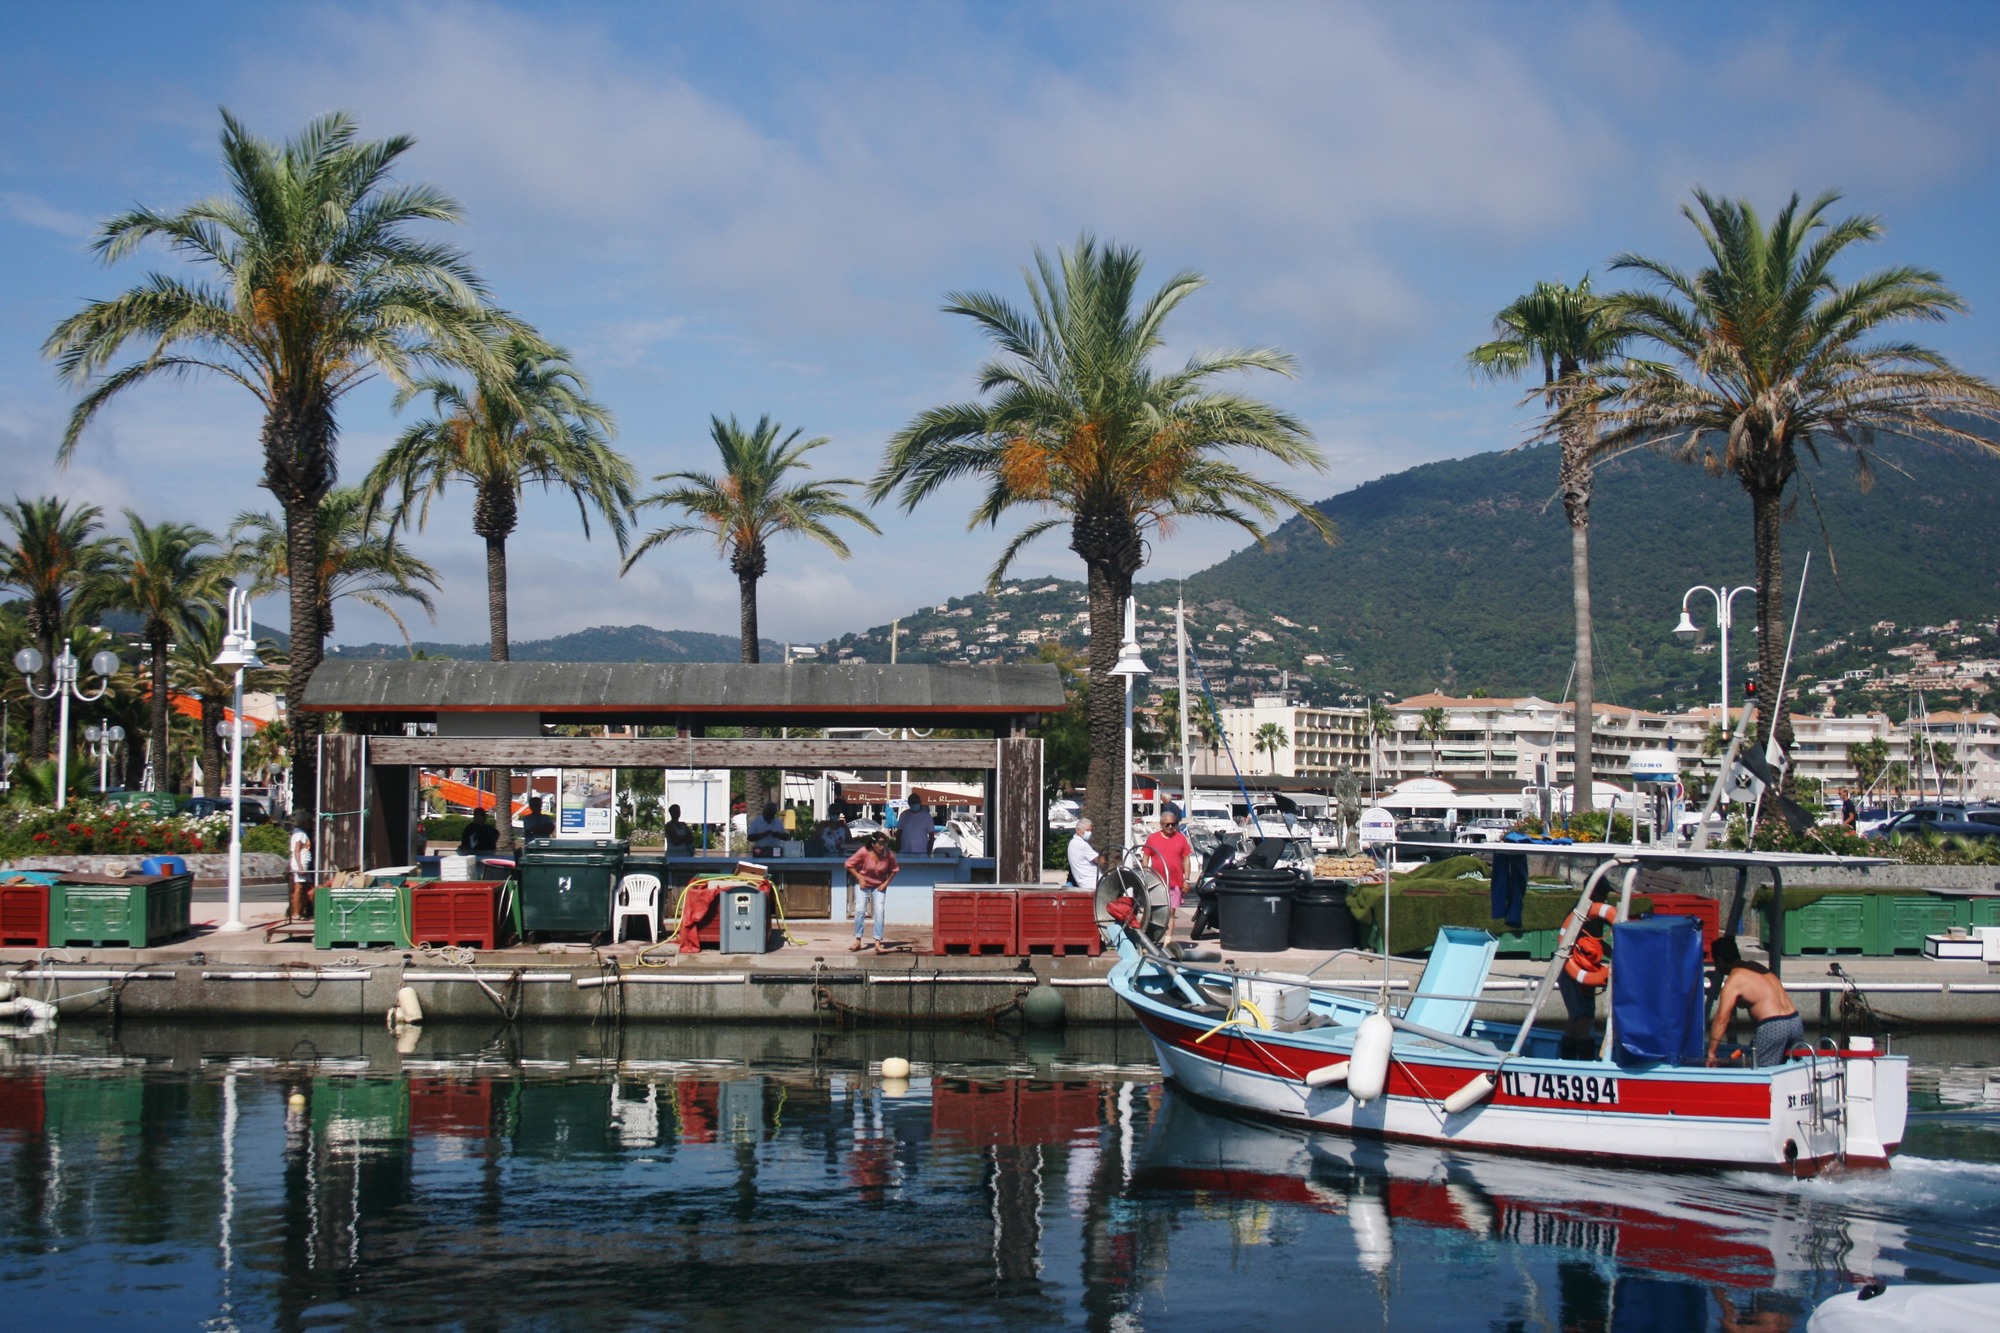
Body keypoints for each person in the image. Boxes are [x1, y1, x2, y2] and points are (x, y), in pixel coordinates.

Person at [1707, 937, 1804, 1068]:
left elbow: (1721, 1020)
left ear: (1719, 960)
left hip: (1773, 1025)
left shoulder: (1733, 980)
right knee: (1792, 1068)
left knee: (1759, 1069)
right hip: (1795, 1020)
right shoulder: (1755, 966)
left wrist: (1712, 1053)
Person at [1557, 891, 1618, 1060]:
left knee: (1576, 1014)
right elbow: (1592, 941)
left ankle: (1568, 1060)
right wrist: (1615, 953)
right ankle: (1584, 1061)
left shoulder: (1580, 909)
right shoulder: (1583, 912)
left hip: (1576, 968)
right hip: (1573, 967)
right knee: (1583, 1015)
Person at [844, 831, 899, 953]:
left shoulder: (888, 855)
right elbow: (848, 864)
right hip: (863, 883)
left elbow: (894, 870)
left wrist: (885, 884)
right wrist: (859, 878)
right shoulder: (864, 852)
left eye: (885, 843)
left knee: (879, 910)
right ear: (873, 844)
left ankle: (878, 942)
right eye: (880, 843)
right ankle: (858, 940)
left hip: (879, 884)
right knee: (860, 909)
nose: (882, 846)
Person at [1142, 810, 1198, 913]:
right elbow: (1145, 858)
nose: (1170, 827)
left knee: (1171, 912)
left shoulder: (1181, 838)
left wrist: (1186, 879)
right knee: (1158, 912)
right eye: (1167, 824)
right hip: (1157, 882)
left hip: (1175, 882)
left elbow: (1186, 860)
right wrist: (1147, 875)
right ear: (1161, 824)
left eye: (1173, 824)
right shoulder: (1152, 838)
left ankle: (1169, 930)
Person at [287, 817, 314, 921]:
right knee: (299, 887)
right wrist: (300, 866)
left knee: (307, 887)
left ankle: (301, 910)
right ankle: (296, 912)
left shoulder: (300, 833)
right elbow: (297, 850)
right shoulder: (300, 834)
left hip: (304, 862)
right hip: (301, 863)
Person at [1066, 818, 1100, 890]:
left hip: (1089, 881)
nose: (1089, 832)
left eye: (1090, 830)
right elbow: (1100, 860)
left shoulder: (1073, 842)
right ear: (1078, 830)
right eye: (1087, 830)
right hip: (1092, 883)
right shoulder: (1081, 844)